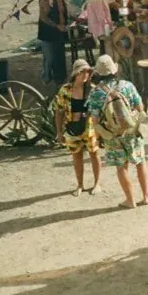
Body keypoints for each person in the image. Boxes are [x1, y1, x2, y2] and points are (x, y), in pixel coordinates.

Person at [87, 55, 148, 209]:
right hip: (132, 131)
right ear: (114, 70)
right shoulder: (127, 86)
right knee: (140, 163)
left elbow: (94, 120)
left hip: (112, 135)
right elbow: (140, 108)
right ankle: (146, 196)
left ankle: (130, 200)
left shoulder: (95, 93)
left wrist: (103, 135)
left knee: (121, 167)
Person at [53, 59, 102, 198]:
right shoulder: (65, 90)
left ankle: (97, 183)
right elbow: (59, 111)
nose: (85, 74)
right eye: (82, 72)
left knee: (94, 154)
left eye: (87, 71)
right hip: (71, 127)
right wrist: (58, 131)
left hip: (89, 127)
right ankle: (80, 185)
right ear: (76, 73)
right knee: (76, 156)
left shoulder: (92, 89)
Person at [37, 0, 69, 86]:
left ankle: (60, 78)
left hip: (59, 33)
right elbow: (43, 18)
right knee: (49, 58)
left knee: (59, 56)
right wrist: (56, 26)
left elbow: (63, 12)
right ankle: (46, 77)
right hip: (48, 33)